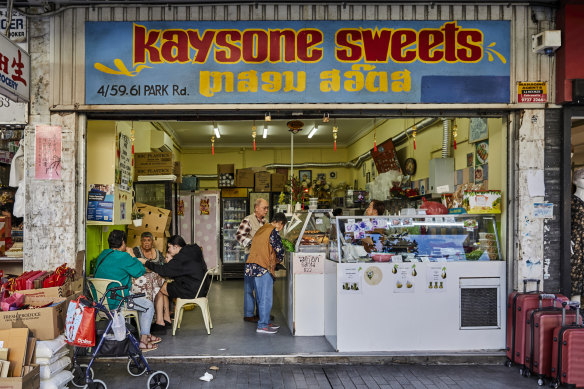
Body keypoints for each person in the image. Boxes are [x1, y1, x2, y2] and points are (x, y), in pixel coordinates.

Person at [94, 230, 160, 352]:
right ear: (123, 242)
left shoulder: (103, 254)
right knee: (148, 305)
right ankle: (144, 342)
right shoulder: (123, 257)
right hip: (118, 302)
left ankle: (145, 334)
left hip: (101, 302)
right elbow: (139, 271)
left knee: (139, 302)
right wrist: (132, 255)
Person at [143, 235, 209, 333]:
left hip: (191, 290)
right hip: (201, 287)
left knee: (159, 285)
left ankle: (160, 322)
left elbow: (164, 271)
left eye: (169, 247)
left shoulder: (181, 257)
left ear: (176, 246)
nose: (168, 250)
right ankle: (166, 319)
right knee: (165, 285)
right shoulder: (193, 249)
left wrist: (146, 262)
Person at [245, 212, 287, 334]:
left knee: (260, 296)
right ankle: (262, 325)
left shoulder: (263, 228)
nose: (281, 228)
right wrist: (280, 259)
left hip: (254, 265)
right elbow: (279, 249)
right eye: (282, 226)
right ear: (280, 223)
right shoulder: (273, 231)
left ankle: (265, 321)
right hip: (263, 266)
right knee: (265, 297)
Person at [236, 198, 269, 322]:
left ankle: (261, 314)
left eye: (267, 208)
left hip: (262, 258)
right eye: (264, 208)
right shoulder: (248, 220)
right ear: (256, 208)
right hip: (250, 257)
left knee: (260, 287)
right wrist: (253, 243)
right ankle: (249, 314)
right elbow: (239, 236)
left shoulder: (265, 223)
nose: (266, 210)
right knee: (250, 286)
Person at [571, 168, 584, 304]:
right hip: (576, 243)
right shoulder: (572, 201)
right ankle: (575, 312)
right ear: (575, 180)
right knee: (576, 277)